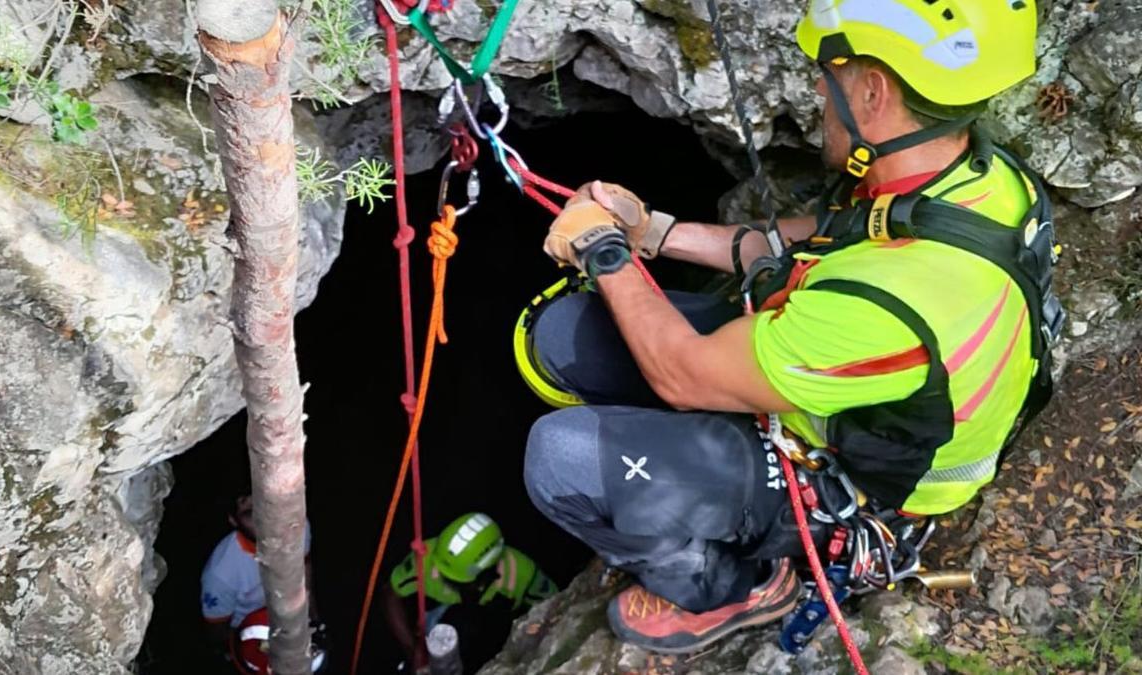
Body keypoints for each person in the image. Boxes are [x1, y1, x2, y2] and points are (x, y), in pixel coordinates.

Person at [520, 0, 1063, 655]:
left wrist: (605, 252)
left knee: (558, 458)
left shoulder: (892, 303)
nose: (816, 87)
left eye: (829, 71)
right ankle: (671, 469)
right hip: (839, 375)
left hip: (855, 474)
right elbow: (823, 241)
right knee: (562, 335)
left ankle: (734, 585)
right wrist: (656, 234)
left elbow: (681, 374)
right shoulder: (970, 176)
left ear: (873, 90)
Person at [382, 513, 558, 672]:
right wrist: (413, 649)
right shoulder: (426, 559)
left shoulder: (520, 574)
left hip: (491, 632)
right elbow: (391, 594)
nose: (443, 577)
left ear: (485, 574)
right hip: (436, 622)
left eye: (453, 580)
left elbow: (555, 604)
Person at [200, 495, 318, 672]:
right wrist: (236, 655)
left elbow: (304, 568)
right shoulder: (220, 574)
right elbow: (217, 628)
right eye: (249, 512)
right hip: (249, 629)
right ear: (233, 521)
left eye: (267, 505)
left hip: (290, 613)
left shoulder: (297, 528)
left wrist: (313, 617)